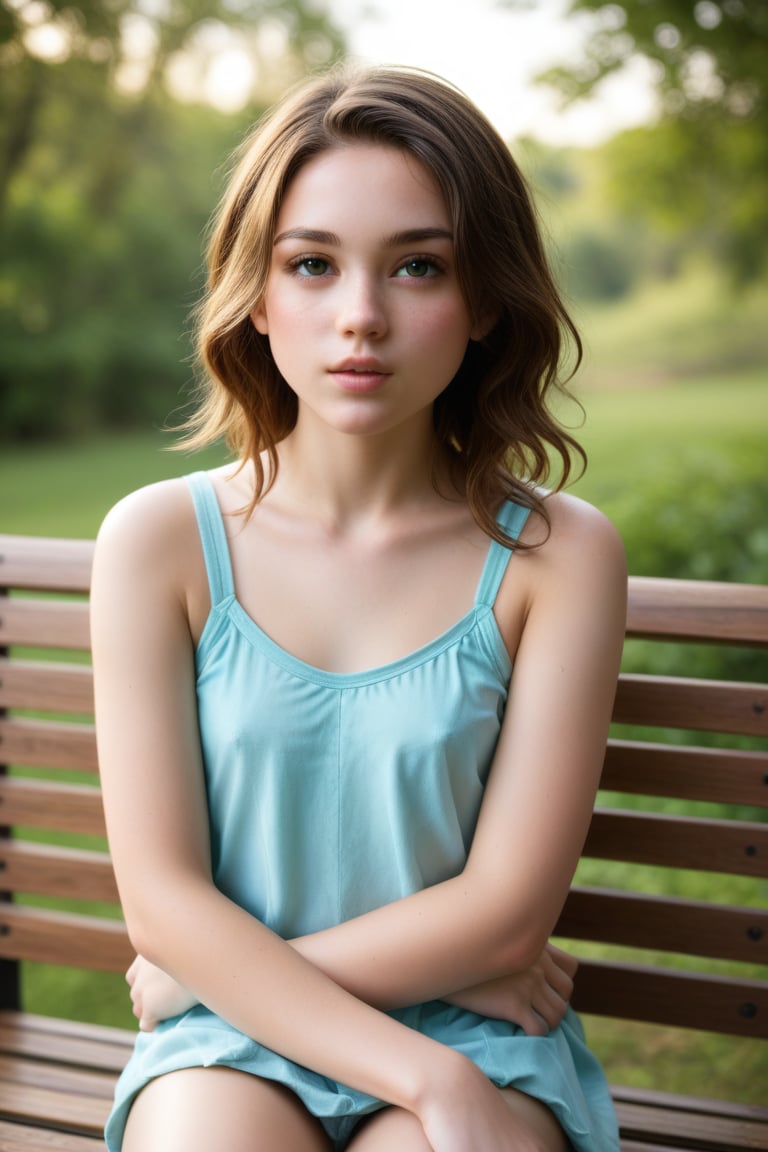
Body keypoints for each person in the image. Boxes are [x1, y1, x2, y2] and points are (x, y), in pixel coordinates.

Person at [91, 63, 627, 1152]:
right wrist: (421, 1076)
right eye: (313, 264)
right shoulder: (158, 543)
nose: (361, 318)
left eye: (418, 266)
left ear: (484, 299)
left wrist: (200, 978)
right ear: (257, 289)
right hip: (229, 1047)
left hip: (479, 1032)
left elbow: (506, 916)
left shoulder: (556, 557)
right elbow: (163, 904)